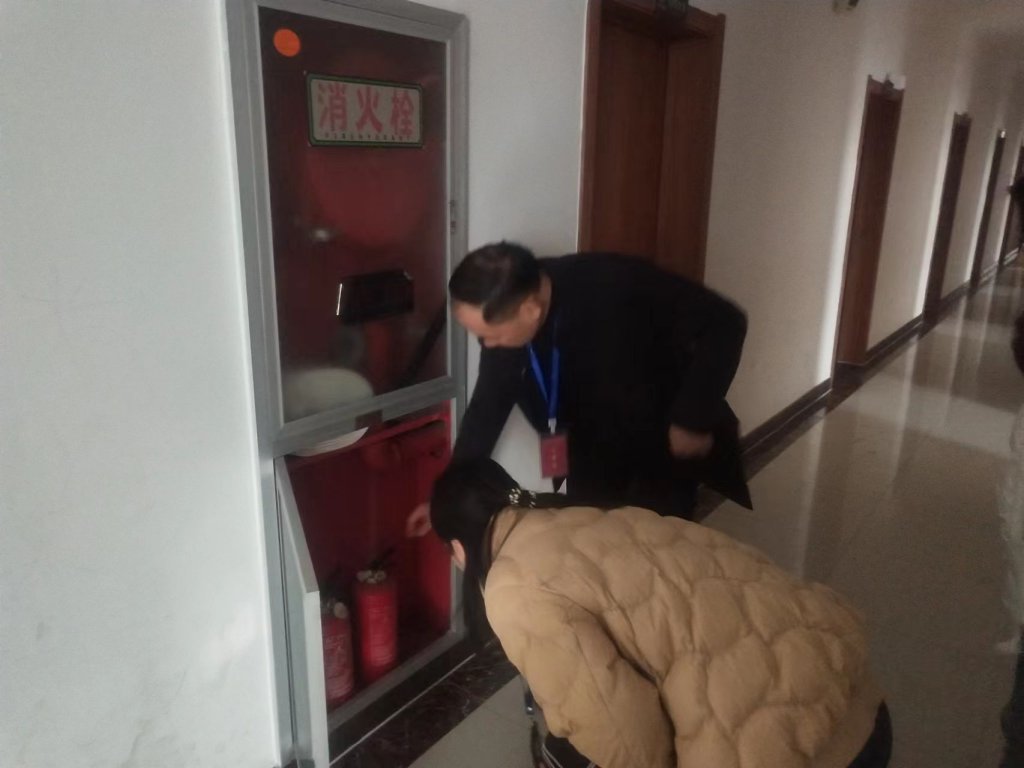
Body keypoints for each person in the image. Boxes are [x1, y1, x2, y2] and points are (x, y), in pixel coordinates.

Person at [430, 458, 892, 768]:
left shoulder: (514, 589)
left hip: (802, 749)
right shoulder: (586, 515)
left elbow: (629, 744)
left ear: (458, 550)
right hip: (849, 688)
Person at [408, 242, 751, 536]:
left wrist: (692, 418)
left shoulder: (614, 281)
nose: (487, 345)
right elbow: (487, 407)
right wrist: (444, 501)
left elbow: (725, 323)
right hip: (587, 451)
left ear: (530, 309)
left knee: (659, 546)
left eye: (491, 336)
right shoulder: (507, 316)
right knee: (593, 542)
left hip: (659, 443)